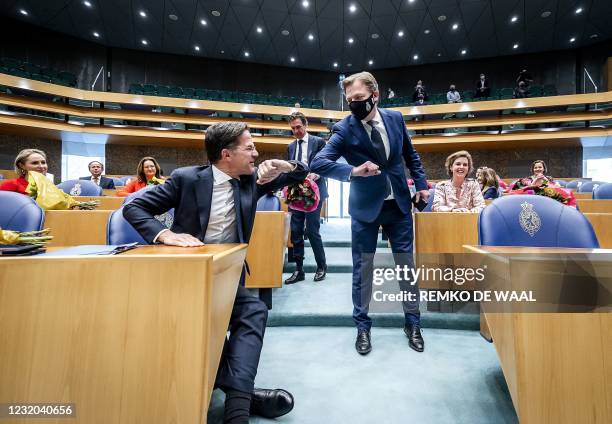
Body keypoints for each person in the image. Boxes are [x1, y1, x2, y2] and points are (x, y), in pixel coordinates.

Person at [123, 122, 306, 423]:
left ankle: (237, 405)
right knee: (209, 324)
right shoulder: (186, 179)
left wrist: (284, 165)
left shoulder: (252, 181)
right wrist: (165, 235)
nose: (256, 153)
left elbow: (301, 173)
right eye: (249, 148)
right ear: (225, 154)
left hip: (229, 278)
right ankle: (246, 397)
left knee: (254, 310)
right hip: (185, 278)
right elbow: (134, 208)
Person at [310, 71, 429, 355]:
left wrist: (422, 184)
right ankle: (362, 326)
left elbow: (410, 155)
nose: (353, 103)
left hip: (399, 205)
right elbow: (319, 161)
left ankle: (412, 323)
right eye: (349, 99)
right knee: (363, 269)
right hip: (365, 209)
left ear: (375, 95)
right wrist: (352, 171)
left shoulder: (396, 119)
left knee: (406, 267)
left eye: (359, 98)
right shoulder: (343, 128)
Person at [284, 112, 328, 284]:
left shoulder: (318, 142)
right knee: (295, 232)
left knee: (311, 230)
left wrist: (316, 174)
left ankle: (321, 267)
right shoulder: (290, 147)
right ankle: (299, 270)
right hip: (296, 195)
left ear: (306, 125)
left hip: (314, 193)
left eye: (298, 127)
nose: (296, 131)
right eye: (293, 128)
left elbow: (326, 164)